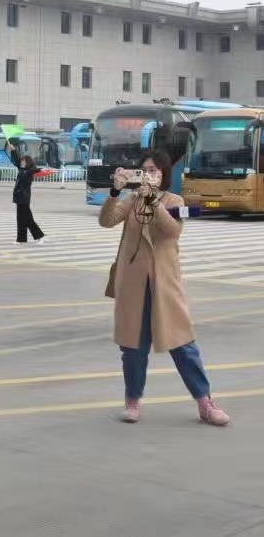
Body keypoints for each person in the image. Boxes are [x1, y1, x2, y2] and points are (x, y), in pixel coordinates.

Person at [99, 151, 230, 426]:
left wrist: (153, 201)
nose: (149, 175)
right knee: (133, 348)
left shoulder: (174, 201)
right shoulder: (132, 199)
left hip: (164, 283)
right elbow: (107, 221)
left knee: (183, 345)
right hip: (133, 283)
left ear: (164, 174)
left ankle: (205, 402)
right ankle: (132, 400)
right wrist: (115, 191)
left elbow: (172, 231)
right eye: (145, 170)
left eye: (154, 170)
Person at [7, 140, 44, 245]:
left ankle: (40, 236)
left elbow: (36, 170)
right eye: (22, 161)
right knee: (20, 219)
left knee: (28, 219)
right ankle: (21, 240)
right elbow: (17, 159)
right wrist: (13, 150)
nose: (22, 163)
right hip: (18, 198)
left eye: (24, 162)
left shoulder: (29, 172)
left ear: (28, 163)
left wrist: (42, 170)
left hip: (24, 198)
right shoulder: (21, 169)